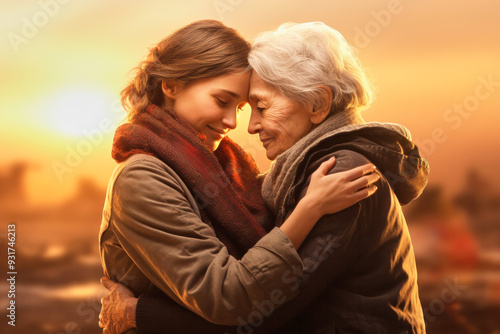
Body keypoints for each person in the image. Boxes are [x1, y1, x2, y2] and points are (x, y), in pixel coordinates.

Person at [100, 22, 430, 334]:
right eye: (223, 101)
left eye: (256, 107)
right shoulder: (161, 173)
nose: (242, 125)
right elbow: (248, 298)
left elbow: (266, 311)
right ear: (171, 86)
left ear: (317, 104)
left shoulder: (340, 173)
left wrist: (136, 313)